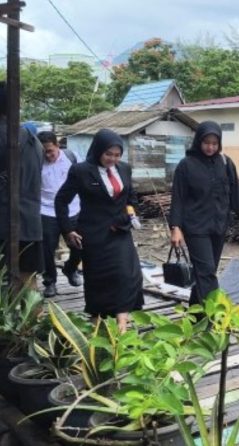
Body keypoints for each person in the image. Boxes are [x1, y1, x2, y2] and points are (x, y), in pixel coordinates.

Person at [55, 129, 143, 329]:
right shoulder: (81, 171)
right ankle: (96, 323)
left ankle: (122, 325)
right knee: (99, 281)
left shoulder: (125, 169)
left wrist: (131, 215)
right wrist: (68, 230)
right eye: (108, 154)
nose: (112, 159)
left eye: (117, 155)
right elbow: (61, 201)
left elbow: (131, 198)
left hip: (120, 231)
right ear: (98, 151)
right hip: (94, 235)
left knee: (127, 275)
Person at [169, 121, 239, 305]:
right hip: (195, 228)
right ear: (199, 141)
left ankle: (195, 316)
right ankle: (215, 317)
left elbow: (236, 191)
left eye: (215, 143)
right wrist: (175, 227)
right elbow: (178, 198)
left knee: (206, 272)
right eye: (207, 142)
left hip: (218, 226)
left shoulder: (225, 162)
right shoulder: (186, 165)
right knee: (206, 271)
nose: (210, 147)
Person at [0, 83, 44, 293]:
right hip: (30, 224)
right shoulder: (35, 142)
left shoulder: (4, 136)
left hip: (4, 223)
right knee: (28, 283)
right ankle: (31, 325)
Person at [39, 130, 82, 297]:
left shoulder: (72, 158)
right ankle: (50, 282)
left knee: (79, 245)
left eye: (50, 150)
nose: (48, 155)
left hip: (72, 209)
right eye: (44, 152)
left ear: (57, 146)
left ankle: (71, 268)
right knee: (47, 250)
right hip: (47, 210)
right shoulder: (38, 163)